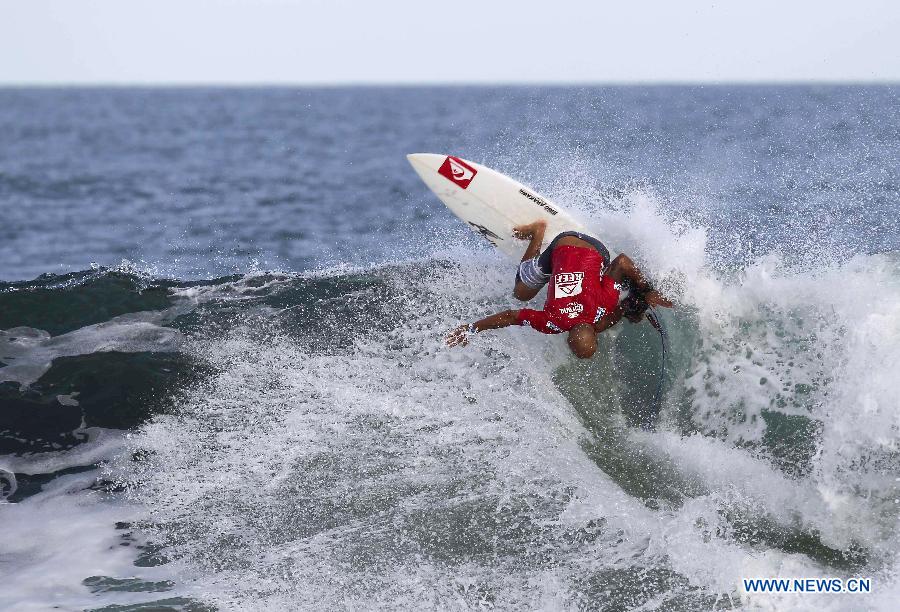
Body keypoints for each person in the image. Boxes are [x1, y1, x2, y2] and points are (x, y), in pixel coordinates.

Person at [446, 219, 672, 358]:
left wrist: (645, 289)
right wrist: (471, 328)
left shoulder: (601, 305)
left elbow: (621, 262)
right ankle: (537, 233)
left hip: (595, 249)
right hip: (565, 244)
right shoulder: (551, 322)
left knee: (524, 292)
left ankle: (539, 233)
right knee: (521, 293)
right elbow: (511, 315)